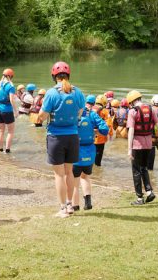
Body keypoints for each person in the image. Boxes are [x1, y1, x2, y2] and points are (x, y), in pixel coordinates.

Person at [39, 61, 85, 218]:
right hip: (73, 136)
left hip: (55, 137)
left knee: (59, 175)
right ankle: (71, 205)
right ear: (68, 75)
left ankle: (62, 208)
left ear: (54, 76)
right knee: (69, 172)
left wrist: (39, 117)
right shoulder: (77, 92)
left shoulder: (51, 93)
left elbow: (42, 116)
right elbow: (80, 111)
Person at [125, 90, 158, 206]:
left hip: (137, 145)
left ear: (131, 101)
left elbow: (131, 130)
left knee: (136, 171)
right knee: (144, 168)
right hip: (148, 145)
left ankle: (139, 198)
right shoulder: (151, 109)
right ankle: (149, 192)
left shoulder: (132, 112)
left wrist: (129, 149)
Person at [71, 95, 109, 211]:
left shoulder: (72, 115)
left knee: (74, 180)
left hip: (76, 151)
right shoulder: (92, 114)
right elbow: (105, 129)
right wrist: (96, 130)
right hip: (90, 151)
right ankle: (88, 203)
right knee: (85, 177)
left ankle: (75, 206)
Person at [0, 68, 19, 153]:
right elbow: (11, 99)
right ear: (10, 76)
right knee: (10, 131)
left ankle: (0, 149)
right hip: (7, 110)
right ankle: (7, 150)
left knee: (1, 130)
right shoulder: (10, 86)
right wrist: (16, 110)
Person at [92, 94, 113, 167]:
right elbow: (109, 124)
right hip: (101, 138)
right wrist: (110, 134)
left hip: (90, 137)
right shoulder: (105, 111)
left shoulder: (90, 109)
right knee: (98, 158)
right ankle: (97, 171)